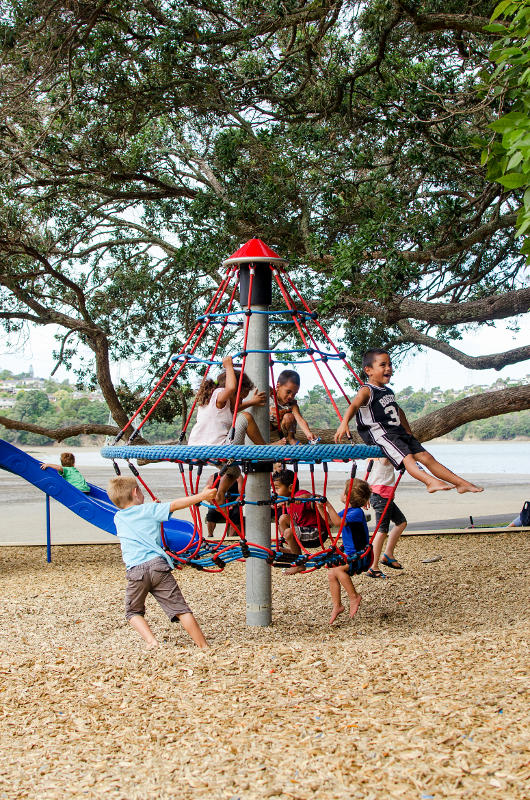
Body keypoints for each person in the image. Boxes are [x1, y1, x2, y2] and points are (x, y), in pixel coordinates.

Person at [334, 349, 483, 494]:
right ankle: (429, 482)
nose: (388, 368)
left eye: (390, 364)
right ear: (368, 370)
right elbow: (354, 405)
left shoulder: (388, 391)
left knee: (427, 457)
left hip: (398, 432)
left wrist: (408, 432)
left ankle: (460, 483)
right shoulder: (367, 390)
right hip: (383, 434)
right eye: (383, 365)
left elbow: (399, 412)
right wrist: (344, 422)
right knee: (408, 458)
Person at [107, 475, 216, 651]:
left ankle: (152, 642)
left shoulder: (118, 518)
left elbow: (139, 519)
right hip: (158, 566)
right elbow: (175, 504)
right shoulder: (151, 509)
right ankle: (203, 646)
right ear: (136, 492)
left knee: (133, 612)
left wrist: (154, 509)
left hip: (136, 571)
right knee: (181, 609)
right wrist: (201, 496)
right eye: (140, 491)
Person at [188, 356, 280, 509]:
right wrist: (229, 366)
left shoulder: (214, 402)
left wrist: (252, 401)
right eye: (241, 396)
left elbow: (235, 408)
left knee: (235, 472)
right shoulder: (219, 394)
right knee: (246, 418)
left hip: (198, 449)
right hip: (219, 448)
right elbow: (231, 389)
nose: (242, 400)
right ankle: (265, 448)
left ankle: (220, 493)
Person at [272, 468, 341, 574]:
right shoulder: (287, 501)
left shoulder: (300, 494)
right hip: (302, 532)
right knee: (283, 518)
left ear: (290, 487)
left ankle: (299, 564)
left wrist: (306, 497)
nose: (274, 492)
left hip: (317, 533)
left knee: (288, 532)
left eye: (277, 488)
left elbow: (316, 499)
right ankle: (294, 551)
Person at [328, 478, 372, 624]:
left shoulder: (356, 513)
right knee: (331, 572)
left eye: (343, 491)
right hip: (350, 554)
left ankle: (354, 597)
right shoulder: (348, 510)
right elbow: (330, 521)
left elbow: (338, 523)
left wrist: (327, 504)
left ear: (348, 497)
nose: (341, 494)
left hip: (361, 557)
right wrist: (321, 508)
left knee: (339, 570)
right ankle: (337, 606)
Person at [367, 457, 407, 579]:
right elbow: (384, 461)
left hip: (381, 494)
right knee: (382, 531)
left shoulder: (373, 452)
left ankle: (388, 555)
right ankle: (373, 566)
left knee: (401, 522)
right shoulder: (381, 452)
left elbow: (369, 474)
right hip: (381, 495)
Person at [270, 369, 317, 445]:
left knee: (289, 416)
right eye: (288, 392)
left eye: (294, 394)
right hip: (269, 427)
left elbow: (300, 419)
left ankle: (291, 438)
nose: (290, 396)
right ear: (278, 386)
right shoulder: (270, 394)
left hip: (282, 428)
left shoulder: (292, 404)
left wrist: (308, 433)